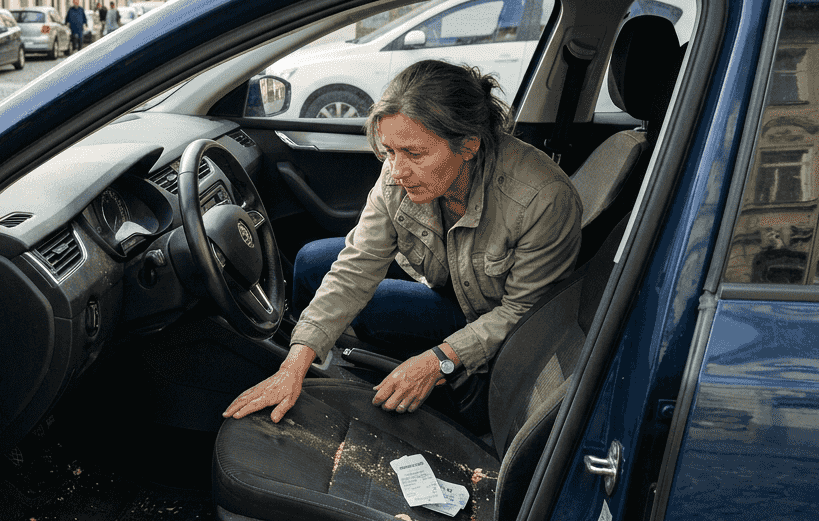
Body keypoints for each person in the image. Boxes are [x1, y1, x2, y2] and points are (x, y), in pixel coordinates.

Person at [223, 59, 583, 430]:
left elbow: (522, 313)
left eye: (414, 153)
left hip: (488, 315)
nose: (396, 171)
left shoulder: (542, 199)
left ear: (469, 145)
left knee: (374, 304)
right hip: (445, 277)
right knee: (313, 260)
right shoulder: (398, 172)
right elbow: (357, 265)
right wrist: (294, 365)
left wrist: (438, 360)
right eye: (390, 151)